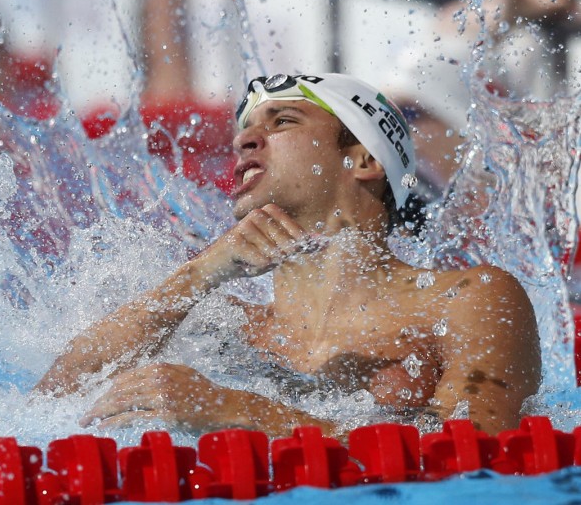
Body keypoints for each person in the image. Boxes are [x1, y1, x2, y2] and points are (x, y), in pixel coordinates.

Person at [35, 72, 541, 437]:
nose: (244, 139)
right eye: (246, 129)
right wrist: (198, 275)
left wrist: (239, 409)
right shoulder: (229, 326)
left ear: (363, 158)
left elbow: (471, 450)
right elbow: (49, 403)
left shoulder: (467, 299)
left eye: (282, 121)